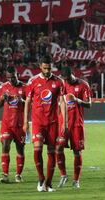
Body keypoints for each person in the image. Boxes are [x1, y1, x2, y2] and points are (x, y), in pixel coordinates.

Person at [23, 55, 67, 192]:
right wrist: (25, 122)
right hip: (38, 122)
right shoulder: (32, 82)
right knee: (37, 149)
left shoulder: (59, 82)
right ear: (40, 66)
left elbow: (62, 102)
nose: (47, 70)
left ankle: (48, 184)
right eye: (45, 68)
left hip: (53, 122)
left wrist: (64, 122)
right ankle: (41, 178)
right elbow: (28, 102)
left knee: (51, 153)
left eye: (49, 68)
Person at [56, 66, 92, 189]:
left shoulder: (83, 85)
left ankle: (76, 180)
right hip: (63, 122)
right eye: (64, 79)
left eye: (68, 78)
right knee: (58, 148)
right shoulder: (61, 85)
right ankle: (63, 175)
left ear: (73, 73)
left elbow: (89, 104)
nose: (66, 81)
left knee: (77, 151)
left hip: (77, 123)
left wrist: (77, 100)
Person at [0, 66, 26, 183]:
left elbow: (31, 103)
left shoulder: (24, 87)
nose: (11, 80)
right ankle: (5, 174)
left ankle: (18, 175)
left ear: (17, 75)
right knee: (5, 145)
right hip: (7, 123)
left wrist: (22, 101)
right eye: (8, 78)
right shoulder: (3, 87)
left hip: (20, 124)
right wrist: (3, 98)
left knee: (20, 149)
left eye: (13, 77)